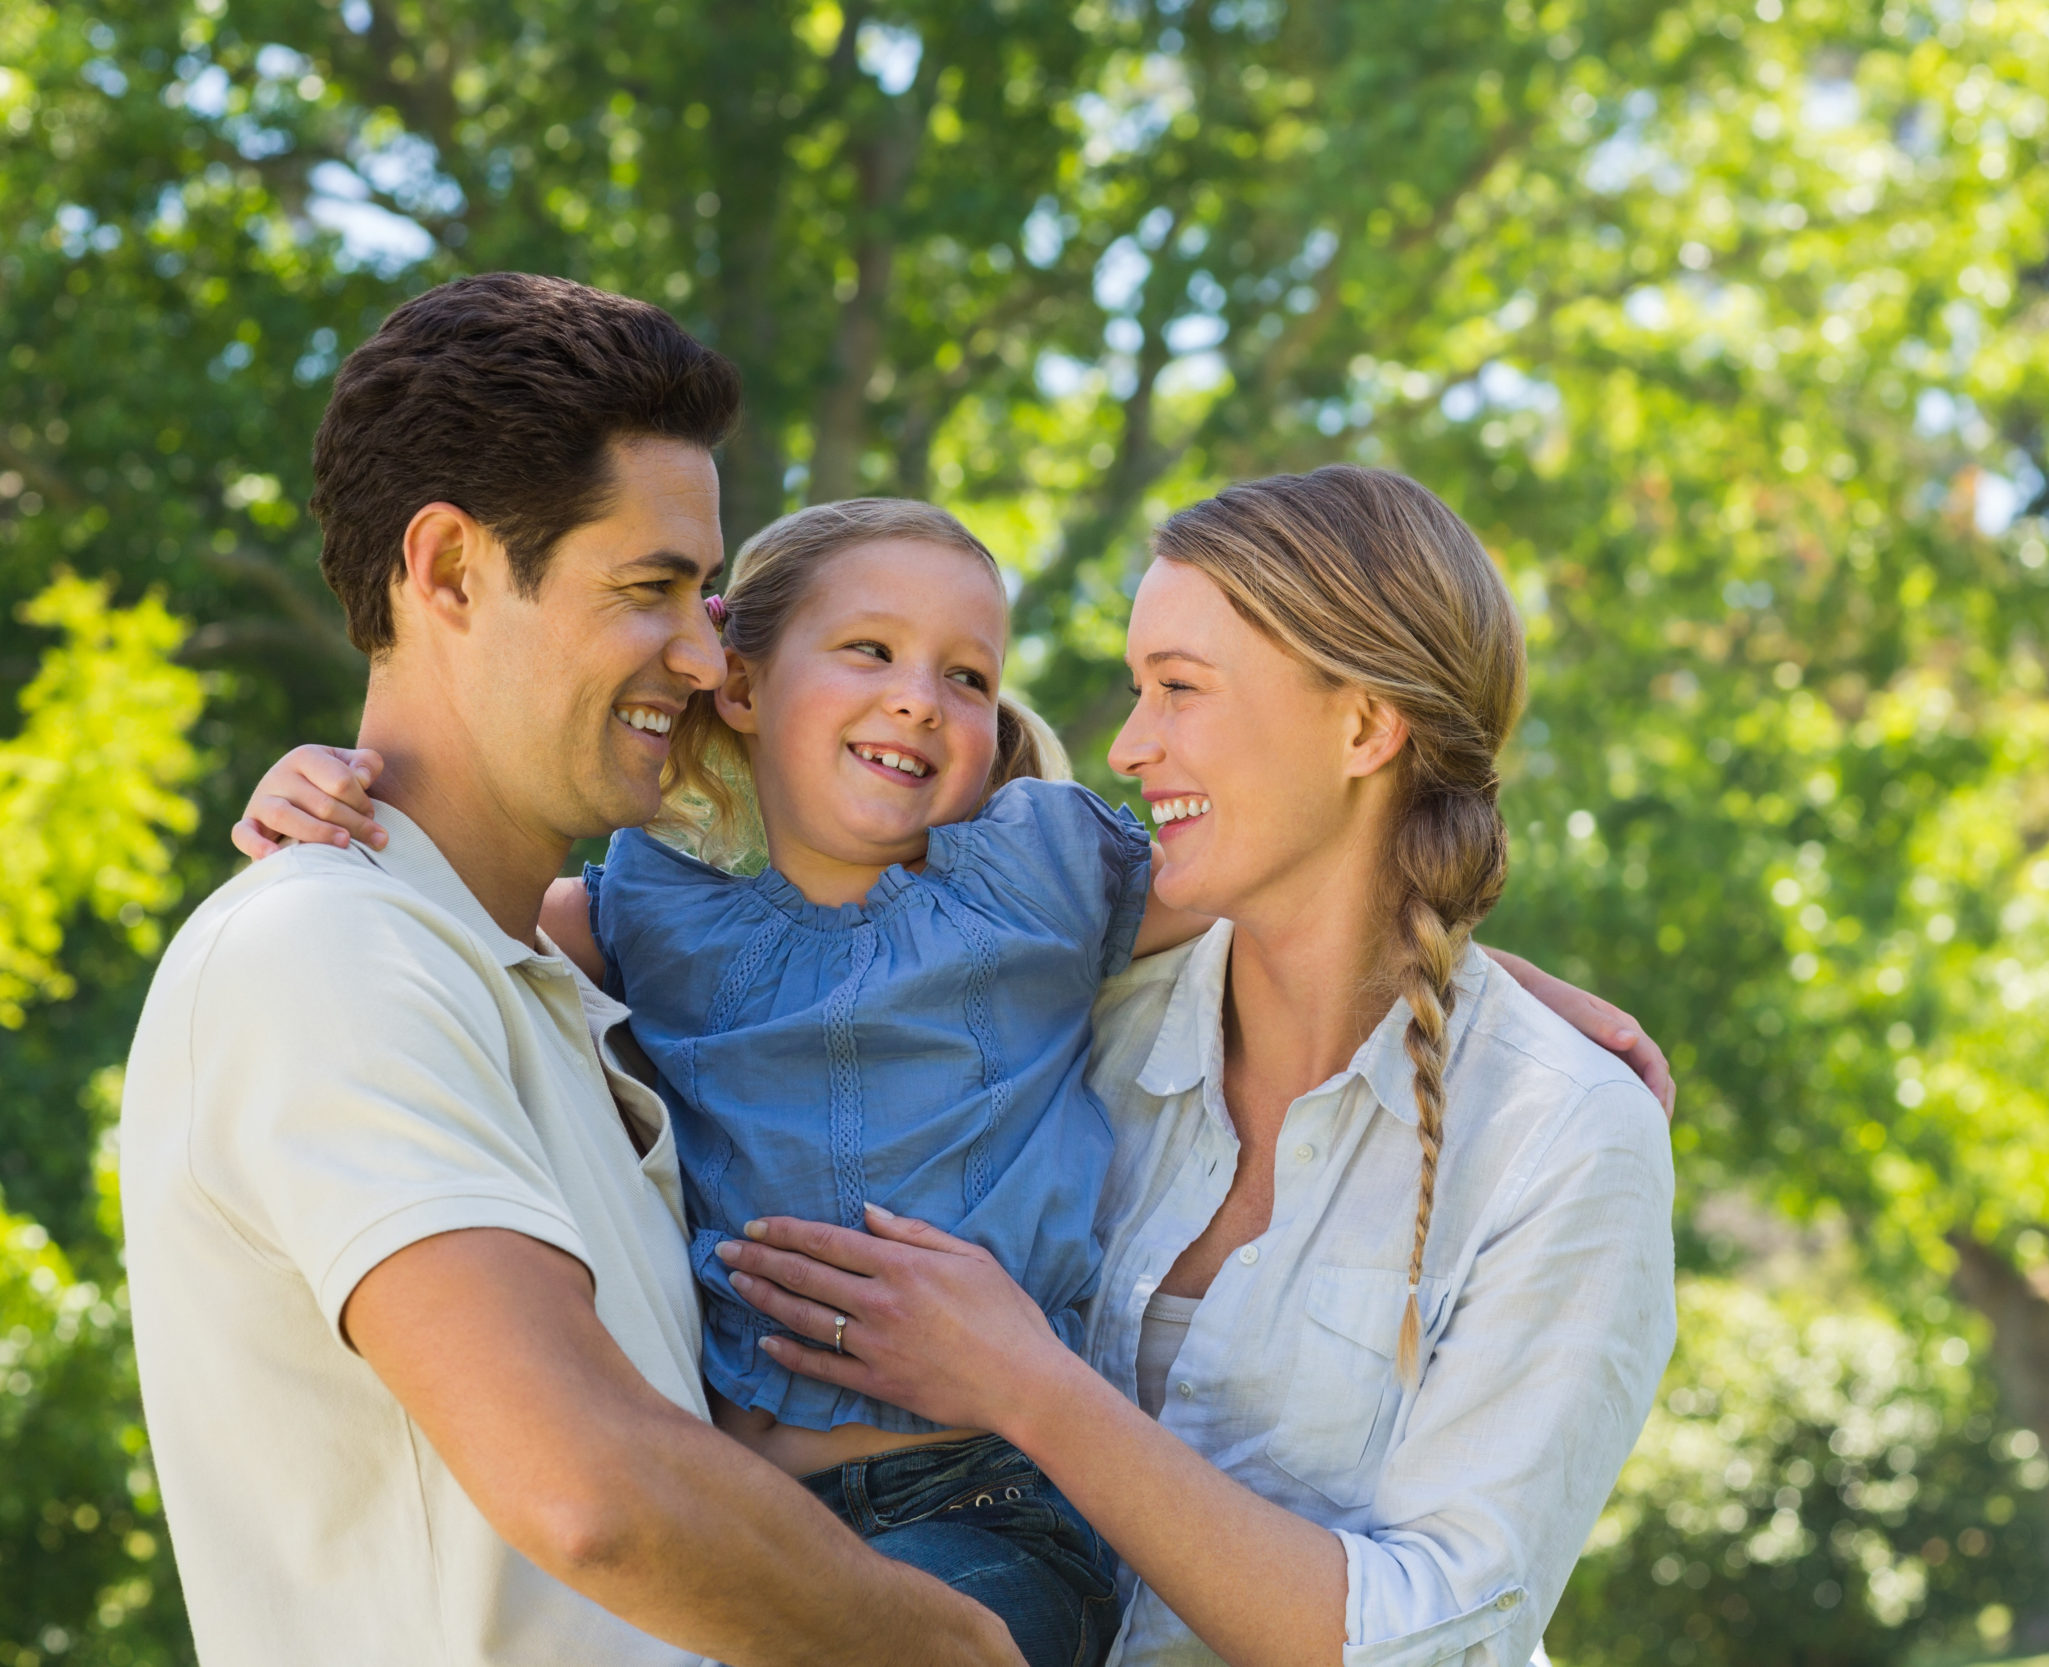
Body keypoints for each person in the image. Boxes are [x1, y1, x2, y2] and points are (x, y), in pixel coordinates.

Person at [121, 273, 1021, 1667]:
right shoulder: (326, 947)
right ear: (449, 570)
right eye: (649, 589)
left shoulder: (557, 981)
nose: (705, 650)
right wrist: (967, 1649)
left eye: (708, 596)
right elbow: (592, 1487)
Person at [714, 467, 1678, 1667]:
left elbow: (1435, 1638)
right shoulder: (1064, 1013)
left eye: (1179, 689)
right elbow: (784, 951)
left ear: (1365, 726)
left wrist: (1033, 1391)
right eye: (1135, 690)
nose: (1126, 745)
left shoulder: (1562, 1132)